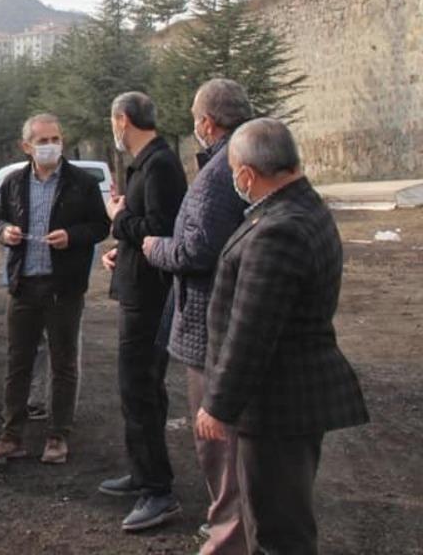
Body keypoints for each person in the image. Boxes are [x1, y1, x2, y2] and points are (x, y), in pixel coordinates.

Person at [196, 118, 368, 554]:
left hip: (278, 405)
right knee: (275, 522)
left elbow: (252, 331)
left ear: (247, 174)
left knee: (277, 531)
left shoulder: (278, 229)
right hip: (285, 400)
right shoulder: (299, 207)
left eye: (235, 168)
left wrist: (218, 404)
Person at [140, 79, 252, 553]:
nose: (193, 124)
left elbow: (197, 249)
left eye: (194, 116)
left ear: (207, 122)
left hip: (208, 323)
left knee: (216, 436)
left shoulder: (218, 173)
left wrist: (153, 247)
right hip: (224, 316)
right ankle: (235, 523)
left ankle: (230, 532)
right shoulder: (240, 162)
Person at [0, 114, 109, 465]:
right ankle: (11, 436)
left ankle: (58, 436)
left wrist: (72, 236)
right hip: (24, 284)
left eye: (55, 138)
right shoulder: (14, 182)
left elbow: (100, 225)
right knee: (17, 362)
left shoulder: (80, 183)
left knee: (63, 363)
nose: (51, 145)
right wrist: (3, 231)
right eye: (42, 140)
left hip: (63, 287)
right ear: (27, 147)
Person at [100, 92, 187, 532]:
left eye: (112, 122)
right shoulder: (144, 163)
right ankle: (142, 473)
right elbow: (142, 235)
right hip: (137, 288)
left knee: (140, 387)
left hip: (151, 299)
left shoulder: (160, 165)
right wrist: (121, 250)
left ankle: (158, 491)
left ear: (122, 120)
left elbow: (161, 233)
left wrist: (117, 218)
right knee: (138, 388)